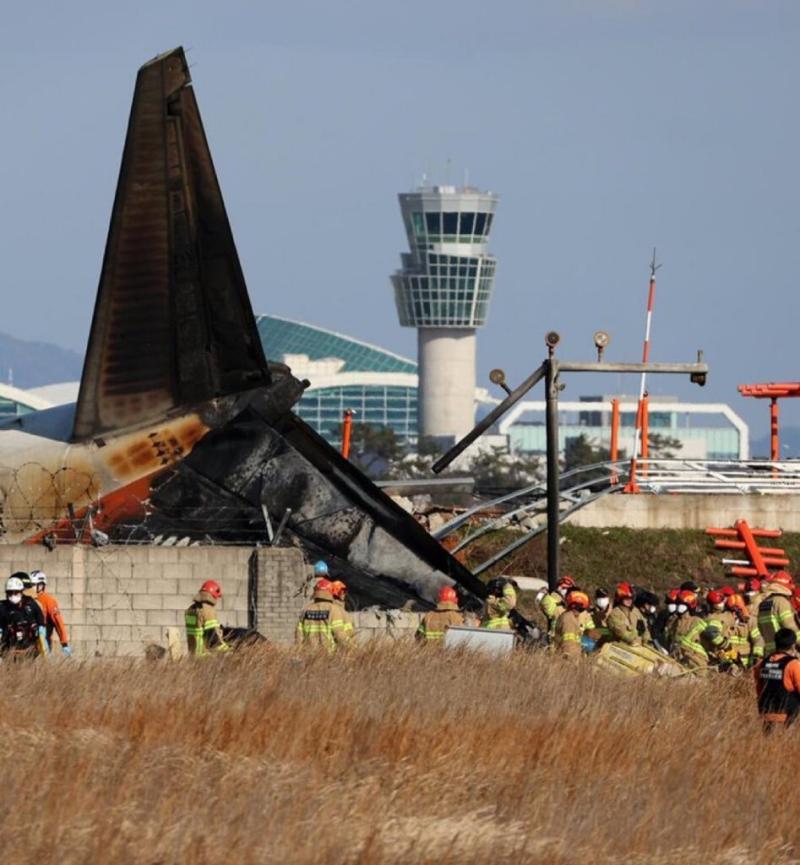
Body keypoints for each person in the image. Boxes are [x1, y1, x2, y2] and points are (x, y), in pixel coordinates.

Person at [753, 627, 800, 732]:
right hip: (788, 718)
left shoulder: (762, 663)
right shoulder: (793, 664)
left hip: (766, 715)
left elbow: (759, 689)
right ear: (793, 645)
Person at [296, 578, 354, 652]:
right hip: (329, 656)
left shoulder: (306, 610)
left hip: (310, 656)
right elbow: (339, 634)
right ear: (330, 592)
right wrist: (353, 649)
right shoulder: (334, 610)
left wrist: (299, 652)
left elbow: (299, 636)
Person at [0, 574, 46, 660]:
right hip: (8, 652)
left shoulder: (31, 605)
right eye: (10, 593)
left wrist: (43, 645)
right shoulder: (2, 607)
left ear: (21, 592)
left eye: (16, 592)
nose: (13, 595)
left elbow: (41, 623)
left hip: (30, 652)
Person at [30, 570, 71, 656]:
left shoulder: (49, 601)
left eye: (33, 585)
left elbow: (58, 623)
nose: (31, 587)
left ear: (41, 585)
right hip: (28, 642)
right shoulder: (27, 600)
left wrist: (64, 643)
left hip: (44, 641)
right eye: (30, 585)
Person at [756, 571, 798, 656]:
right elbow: (789, 627)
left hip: (770, 652)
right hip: (785, 651)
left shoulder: (764, 603)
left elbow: (760, 628)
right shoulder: (781, 601)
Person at [184, 580, 230, 657]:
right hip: (205, 657)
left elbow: (199, 629)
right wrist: (228, 649)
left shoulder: (191, 610)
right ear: (213, 595)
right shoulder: (208, 610)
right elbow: (212, 638)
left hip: (193, 655)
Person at [607, 582, 650, 646]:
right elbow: (620, 632)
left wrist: (646, 638)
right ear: (620, 599)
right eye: (626, 598)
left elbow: (644, 628)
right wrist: (634, 638)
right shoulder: (615, 613)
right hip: (620, 647)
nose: (629, 600)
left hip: (638, 646)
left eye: (631, 598)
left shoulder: (636, 611)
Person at [554, 591, 592, 658]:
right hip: (568, 659)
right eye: (581, 609)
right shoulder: (569, 618)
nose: (581, 611)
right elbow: (568, 644)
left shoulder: (571, 617)